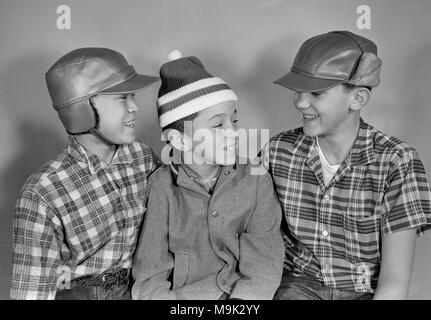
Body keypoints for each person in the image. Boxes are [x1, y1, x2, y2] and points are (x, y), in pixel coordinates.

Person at [261, 31, 431, 299]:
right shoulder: (277, 152)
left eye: (316, 92)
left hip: (365, 291)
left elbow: (395, 278)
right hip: (297, 285)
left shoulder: (397, 162)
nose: (300, 102)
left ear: (358, 99)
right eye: (298, 90)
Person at [10, 47, 160, 300]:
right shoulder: (43, 192)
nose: (134, 107)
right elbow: (31, 291)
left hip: (143, 289)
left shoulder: (141, 157)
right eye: (122, 97)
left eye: (132, 96)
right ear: (82, 107)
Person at [132, 53, 284, 300]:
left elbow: (264, 264)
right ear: (178, 139)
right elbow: (150, 275)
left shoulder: (255, 178)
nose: (233, 133)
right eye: (217, 125)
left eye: (234, 121)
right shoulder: (162, 187)